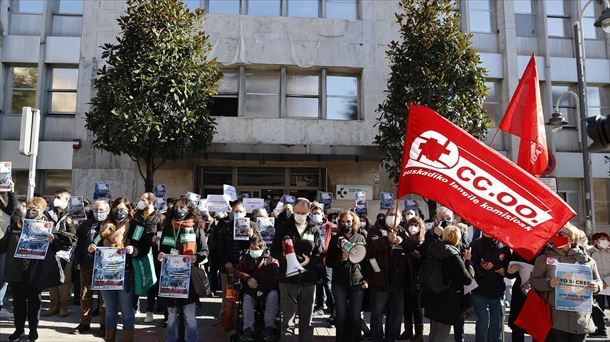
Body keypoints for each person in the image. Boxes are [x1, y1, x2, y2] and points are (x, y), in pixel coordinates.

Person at [2, 197, 75, 341]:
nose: (31, 210)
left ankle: (33, 330)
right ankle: (19, 330)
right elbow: (3, 244)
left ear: (43, 210)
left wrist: (53, 239)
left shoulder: (48, 227)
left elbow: (68, 243)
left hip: (36, 272)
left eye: (35, 208)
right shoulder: (16, 226)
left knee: (35, 303)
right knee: (18, 303)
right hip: (17, 272)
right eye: (29, 207)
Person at [88, 197, 151, 342]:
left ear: (129, 211)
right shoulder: (104, 226)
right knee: (110, 310)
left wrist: (134, 250)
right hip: (105, 274)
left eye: (123, 209)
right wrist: (92, 249)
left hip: (126, 273)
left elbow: (145, 248)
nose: (119, 212)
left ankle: (127, 339)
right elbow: (94, 243)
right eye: (116, 209)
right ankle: (110, 338)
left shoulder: (137, 227)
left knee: (126, 309)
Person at [530, 223, 603, 342]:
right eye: (556, 234)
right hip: (555, 319)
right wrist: (549, 283)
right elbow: (533, 281)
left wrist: (597, 287)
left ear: (572, 238)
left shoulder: (587, 261)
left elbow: (597, 280)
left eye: (561, 234)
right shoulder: (544, 259)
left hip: (580, 318)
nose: (557, 236)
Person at [156, 197, 208, 342]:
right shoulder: (168, 226)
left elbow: (204, 251)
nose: (179, 209)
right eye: (177, 206)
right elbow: (163, 250)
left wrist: (196, 258)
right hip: (170, 277)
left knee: (189, 315)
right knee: (171, 316)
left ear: (190, 210)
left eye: (183, 207)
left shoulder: (196, 227)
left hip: (189, 277)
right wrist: (160, 254)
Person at [270, 197, 321, 342]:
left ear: (309, 212)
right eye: (297, 211)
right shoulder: (284, 227)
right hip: (288, 280)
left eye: (303, 212)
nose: (299, 214)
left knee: (306, 322)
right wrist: (287, 256)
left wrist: (310, 261)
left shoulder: (314, 229)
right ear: (293, 210)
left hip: (309, 280)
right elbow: (274, 250)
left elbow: (319, 253)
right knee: (287, 321)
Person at [367, 207, 417, 342]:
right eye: (391, 214)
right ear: (386, 215)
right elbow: (372, 246)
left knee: (395, 316)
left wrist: (401, 240)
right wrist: (386, 240)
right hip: (381, 282)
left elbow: (413, 245)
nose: (393, 217)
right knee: (377, 315)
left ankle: (392, 338)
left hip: (399, 283)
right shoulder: (375, 229)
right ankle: (377, 338)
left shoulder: (401, 230)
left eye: (396, 215)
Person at [423, 225, 474, 342]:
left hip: (432, 296)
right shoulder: (453, 256)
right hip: (447, 301)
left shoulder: (433, 248)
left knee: (434, 330)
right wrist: (468, 261)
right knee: (442, 333)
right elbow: (468, 279)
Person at [215, 202, 260, 326]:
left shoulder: (253, 226)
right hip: (229, 266)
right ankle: (224, 317)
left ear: (246, 213)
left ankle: (247, 318)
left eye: (240, 211)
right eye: (236, 211)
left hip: (247, 268)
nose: (238, 214)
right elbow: (220, 246)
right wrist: (226, 262)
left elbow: (260, 245)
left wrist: (253, 235)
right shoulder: (226, 226)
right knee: (227, 295)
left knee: (246, 294)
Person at [326, 210, 367, 342]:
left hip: (357, 281)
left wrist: (366, 279)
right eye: (343, 221)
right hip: (339, 283)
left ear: (353, 222)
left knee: (355, 315)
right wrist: (341, 259)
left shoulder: (360, 238)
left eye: (348, 221)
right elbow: (329, 262)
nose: (345, 224)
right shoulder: (335, 239)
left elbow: (366, 261)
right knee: (341, 315)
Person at [72, 200, 110, 337]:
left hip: (105, 265)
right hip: (86, 264)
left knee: (104, 297)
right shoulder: (87, 224)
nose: (98, 213)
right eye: (96, 210)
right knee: (85, 295)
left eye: (101, 210)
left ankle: (104, 325)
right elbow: (79, 242)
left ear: (108, 210)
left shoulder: (111, 224)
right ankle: (84, 323)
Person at [234, 235, 280, 342]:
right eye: (252, 248)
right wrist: (247, 278)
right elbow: (236, 271)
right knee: (247, 299)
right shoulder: (245, 258)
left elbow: (276, 278)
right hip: (251, 289)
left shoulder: (271, 260)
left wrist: (263, 289)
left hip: (268, 288)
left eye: (257, 248)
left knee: (273, 295)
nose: (254, 250)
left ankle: (270, 327)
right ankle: (248, 329)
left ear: (263, 248)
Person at [470, 233, 511, 342]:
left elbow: (508, 268)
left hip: (497, 291)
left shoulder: (504, 245)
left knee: (496, 324)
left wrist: (504, 271)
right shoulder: (475, 244)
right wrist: (482, 268)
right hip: (479, 290)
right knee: (483, 322)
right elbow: (470, 266)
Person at [43, 189, 76, 317]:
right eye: (55, 196)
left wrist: (70, 224)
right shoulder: (49, 213)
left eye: (58, 197)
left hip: (66, 251)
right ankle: (53, 305)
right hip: (51, 249)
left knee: (66, 280)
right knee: (52, 277)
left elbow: (74, 235)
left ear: (67, 200)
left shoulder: (74, 213)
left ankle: (64, 306)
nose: (55, 199)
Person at [133, 192, 165, 324]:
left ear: (150, 202)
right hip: (137, 251)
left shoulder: (160, 217)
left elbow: (162, 235)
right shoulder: (137, 216)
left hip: (151, 253)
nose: (140, 202)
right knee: (136, 278)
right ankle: (135, 307)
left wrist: (157, 239)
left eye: (143, 200)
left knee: (151, 282)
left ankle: (150, 310)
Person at [400, 216, 425, 341]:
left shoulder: (422, 241)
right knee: (406, 307)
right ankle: (408, 331)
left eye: (416, 225)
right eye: (411, 224)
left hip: (416, 279)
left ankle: (419, 334)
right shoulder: (404, 240)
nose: (413, 227)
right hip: (405, 278)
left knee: (416, 307)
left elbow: (421, 256)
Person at [312, 202, 334, 317]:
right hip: (315, 260)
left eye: (318, 213)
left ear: (323, 214)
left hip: (327, 259)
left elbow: (335, 242)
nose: (316, 215)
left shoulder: (330, 226)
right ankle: (319, 306)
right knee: (318, 283)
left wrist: (328, 250)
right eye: (314, 213)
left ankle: (332, 309)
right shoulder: (310, 226)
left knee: (328, 285)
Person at [0, 180, 17, 319]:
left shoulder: (3, 207)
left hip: (1, 248)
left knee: (2, 279)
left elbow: (12, 207)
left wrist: (11, 191)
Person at [589, 232, 610, 337]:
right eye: (601, 239)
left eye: (605, 239)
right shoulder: (590, 252)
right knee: (596, 308)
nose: (603, 241)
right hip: (597, 285)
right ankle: (601, 330)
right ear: (595, 241)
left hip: (608, 283)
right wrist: (598, 282)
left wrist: (606, 281)